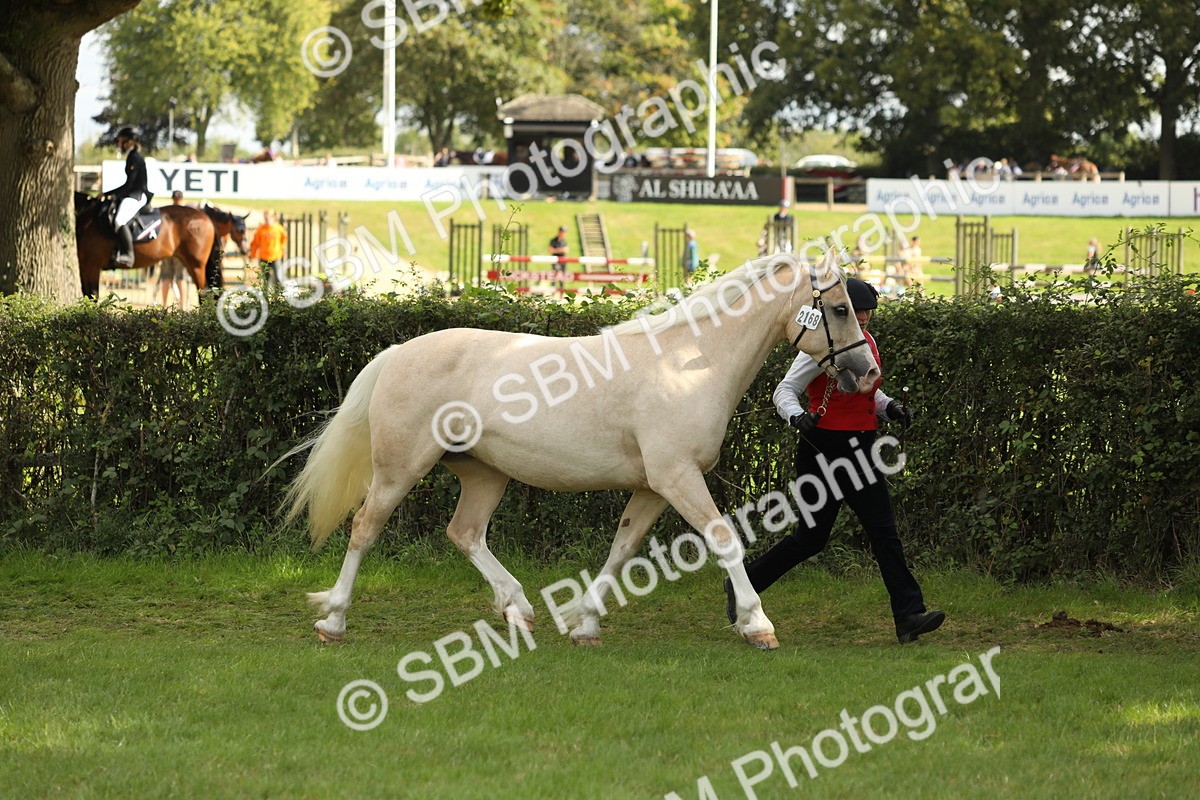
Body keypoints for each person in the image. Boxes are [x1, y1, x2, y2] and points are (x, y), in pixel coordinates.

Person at [723, 278, 944, 644]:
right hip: (822, 448)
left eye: (868, 311)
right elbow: (785, 390)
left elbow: (868, 392)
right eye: (857, 312)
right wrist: (796, 417)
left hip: (860, 448)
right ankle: (744, 580)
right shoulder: (820, 348)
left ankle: (908, 616)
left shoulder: (864, 344)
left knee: (884, 532)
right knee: (811, 539)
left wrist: (889, 407)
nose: (865, 317)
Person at [105, 126, 152, 267]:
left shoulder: (135, 157)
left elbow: (130, 184)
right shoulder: (131, 156)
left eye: (121, 141)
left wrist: (111, 194)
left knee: (119, 220)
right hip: (132, 193)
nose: (119, 144)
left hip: (137, 195)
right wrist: (110, 194)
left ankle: (129, 255)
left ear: (129, 142)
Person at [249, 210, 287, 288]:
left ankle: (279, 297)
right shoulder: (261, 229)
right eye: (265, 218)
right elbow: (255, 243)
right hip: (264, 258)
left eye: (269, 217)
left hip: (276, 257)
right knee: (266, 280)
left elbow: (284, 239)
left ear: (273, 217)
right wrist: (252, 255)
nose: (267, 219)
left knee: (279, 278)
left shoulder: (279, 229)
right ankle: (266, 297)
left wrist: (281, 249)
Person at [549, 226, 569, 292]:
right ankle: (553, 291)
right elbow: (551, 250)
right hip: (555, 260)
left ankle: (561, 291)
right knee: (554, 275)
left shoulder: (564, 241)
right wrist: (560, 250)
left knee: (562, 276)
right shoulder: (553, 240)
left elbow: (566, 250)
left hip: (562, 261)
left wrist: (556, 250)